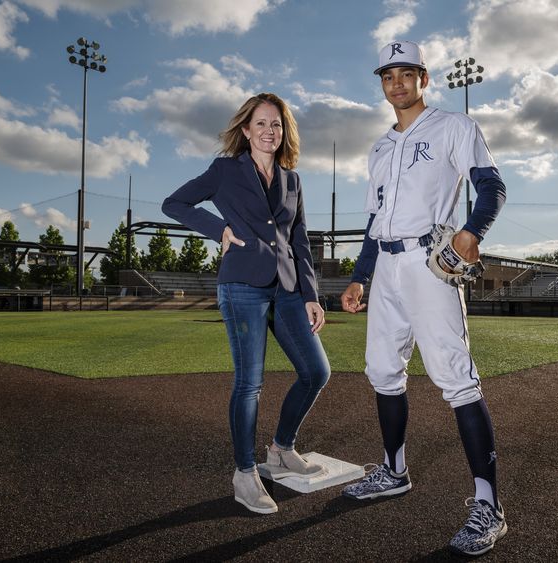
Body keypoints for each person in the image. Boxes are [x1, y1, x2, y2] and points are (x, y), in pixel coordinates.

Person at [339, 41, 508, 556]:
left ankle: (489, 505)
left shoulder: (454, 127)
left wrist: (472, 233)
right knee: (382, 371)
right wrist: (359, 276)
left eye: (406, 73)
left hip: (429, 261)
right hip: (385, 266)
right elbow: (374, 222)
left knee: (456, 379)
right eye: (388, 75)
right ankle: (393, 470)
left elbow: (491, 186)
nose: (396, 83)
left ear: (423, 78)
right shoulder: (379, 147)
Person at [162, 93, 331, 515]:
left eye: (276, 124)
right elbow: (174, 203)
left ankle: (280, 448)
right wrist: (218, 228)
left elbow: (298, 239)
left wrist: (310, 294)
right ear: (245, 129)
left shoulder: (293, 179)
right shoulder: (225, 170)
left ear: (283, 131)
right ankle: (244, 473)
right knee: (249, 383)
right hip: (242, 286)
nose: (269, 131)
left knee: (316, 371)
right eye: (261, 124)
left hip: (288, 288)